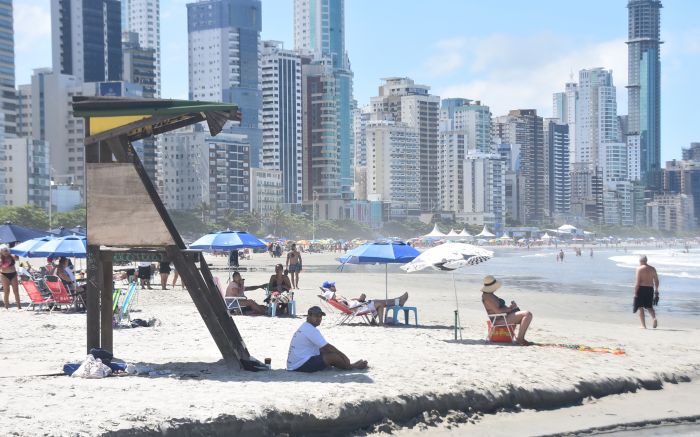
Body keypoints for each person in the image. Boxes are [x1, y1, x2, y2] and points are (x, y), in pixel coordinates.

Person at [287, 306, 368, 372]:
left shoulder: (306, 326)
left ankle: (349, 365)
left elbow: (323, 348)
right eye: (316, 316)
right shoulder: (310, 329)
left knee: (326, 352)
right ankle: (351, 367)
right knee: (333, 356)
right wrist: (343, 356)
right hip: (298, 365)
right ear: (309, 316)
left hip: (295, 363)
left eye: (320, 316)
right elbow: (327, 347)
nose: (319, 319)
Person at [480, 275, 533, 346]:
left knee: (527, 315)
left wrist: (511, 308)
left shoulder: (490, 295)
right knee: (527, 314)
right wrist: (510, 308)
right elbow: (498, 311)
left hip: (503, 317)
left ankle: (520, 338)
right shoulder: (487, 297)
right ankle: (520, 338)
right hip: (499, 320)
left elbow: (500, 309)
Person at [634, 255, 659, 329]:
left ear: (641, 261)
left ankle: (643, 325)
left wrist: (635, 292)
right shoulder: (653, 269)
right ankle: (654, 318)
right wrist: (656, 290)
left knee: (640, 307)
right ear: (646, 261)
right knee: (649, 306)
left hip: (641, 289)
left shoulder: (639, 269)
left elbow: (637, 282)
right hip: (650, 288)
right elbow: (656, 281)